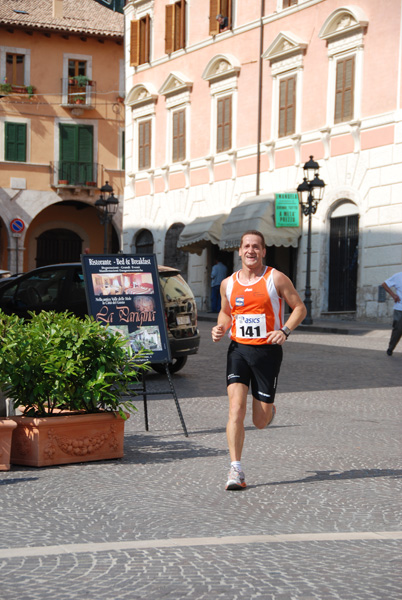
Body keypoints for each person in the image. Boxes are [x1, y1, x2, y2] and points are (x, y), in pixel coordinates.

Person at [211, 230, 307, 490]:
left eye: (256, 247)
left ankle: (269, 410)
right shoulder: (228, 283)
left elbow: (300, 307)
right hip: (239, 350)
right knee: (235, 410)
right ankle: (236, 470)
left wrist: (284, 330)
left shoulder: (275, 278)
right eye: (246, 246)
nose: (251, 251)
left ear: (263, 251)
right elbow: (225, 312)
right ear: (239, 251)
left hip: (267, 352)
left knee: (259, 422)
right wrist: (221, 328)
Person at [381, 271, 402, 356]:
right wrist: (393, 295)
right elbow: (384, 284)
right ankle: (391, 348)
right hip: (400, 308)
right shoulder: (398, 276)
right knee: (398, 329)